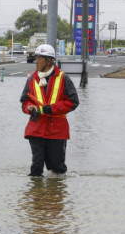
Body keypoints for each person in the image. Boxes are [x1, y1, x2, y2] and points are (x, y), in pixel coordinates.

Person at [19, 43, 80, 177]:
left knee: (57, 168)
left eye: (40, 58)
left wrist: (52, 109)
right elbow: (24, 101)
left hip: (57, 130)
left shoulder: (64, 78)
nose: (37, 61)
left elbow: (73, 102)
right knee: (36, 168)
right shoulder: (31, 79)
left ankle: (54, 195)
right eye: (37, 58)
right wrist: (30, 108)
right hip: (36, 128)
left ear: (49, 61)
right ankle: (38, 196)